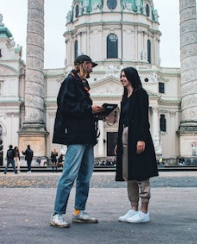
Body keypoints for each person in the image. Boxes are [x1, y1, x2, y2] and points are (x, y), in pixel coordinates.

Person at [49, 55, 104, 228]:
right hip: (75, 136)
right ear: (82, 64)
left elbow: (81, 110)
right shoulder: (69, 82)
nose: (91, 68)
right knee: (69, 176)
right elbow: (65, 107)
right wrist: (89, 109)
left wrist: (97, 113)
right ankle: (57, 214)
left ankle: (79, 211)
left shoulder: (84, 84)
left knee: (85, 177)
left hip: (87, 136)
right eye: (89, 65)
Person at [114, 67, 159, 224]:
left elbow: (142, 118)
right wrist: (118, 142)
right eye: (121, 76)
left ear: (132, 77)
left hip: (138, 136)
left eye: (124, 76)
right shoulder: (125, 96)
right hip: (126, 137)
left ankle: (144, 211)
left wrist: (141, 139)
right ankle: (133, 208)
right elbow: (121, 122)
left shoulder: (141, 94)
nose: (122, 78)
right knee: (129, 174)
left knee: (141, 173)